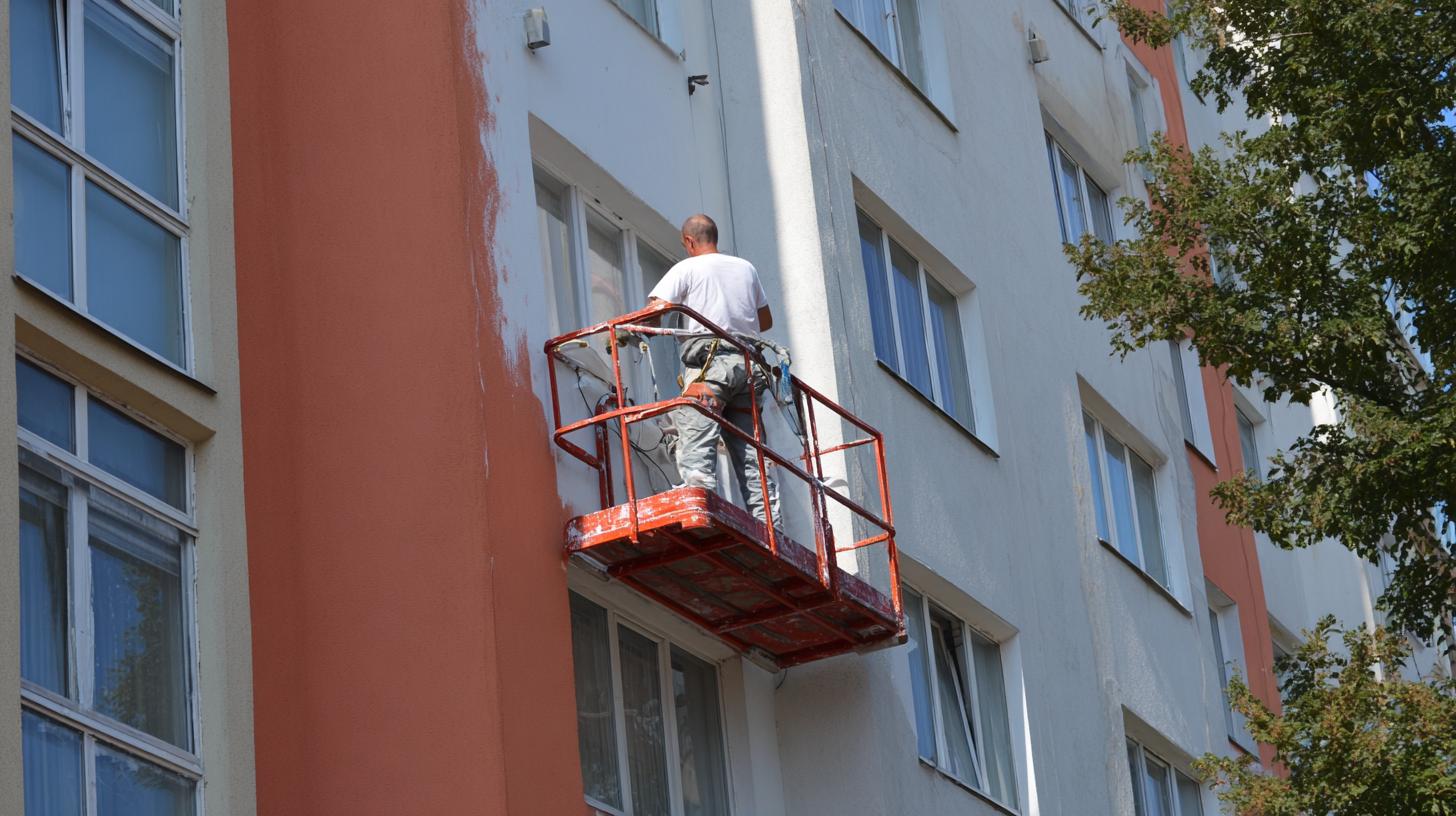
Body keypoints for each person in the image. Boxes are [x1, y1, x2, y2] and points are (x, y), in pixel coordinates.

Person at [647, 214, 781, 526]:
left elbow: (656, 310)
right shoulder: (745, 268)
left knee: (696, 429)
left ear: (689, 242)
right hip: (749, 368)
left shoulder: (687, 267)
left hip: (711, 365)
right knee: (750, 450)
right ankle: (770, 526)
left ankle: (699, 507)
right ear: (714, 237)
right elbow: (765, 322)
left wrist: (638, 325)